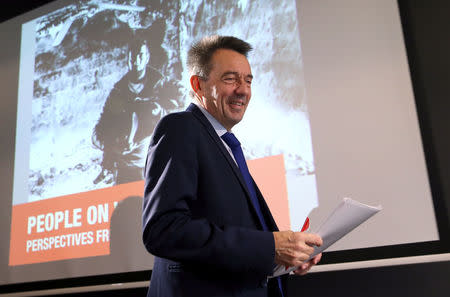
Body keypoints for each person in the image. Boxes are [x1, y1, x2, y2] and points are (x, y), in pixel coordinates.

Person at [142, 35, 322, 297]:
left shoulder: (224, 144)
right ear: (198, 85)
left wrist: (287, 254)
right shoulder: (180, 128)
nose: (243, 90)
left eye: (248, 80)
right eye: (230, 79)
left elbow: (238, 239)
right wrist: (270, 247)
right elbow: (164, 229)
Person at [92, 38, 179, 185]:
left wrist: (160, 111)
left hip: (156, 158)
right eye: (132, 56)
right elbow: (103, 123)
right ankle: (108, 169)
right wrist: (110, 144)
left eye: (140, 55)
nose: (136, 60)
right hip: (126, 161)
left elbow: (178, 110)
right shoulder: (118, 91)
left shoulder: (160, 83)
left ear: (147, 58)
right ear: (127, 58)